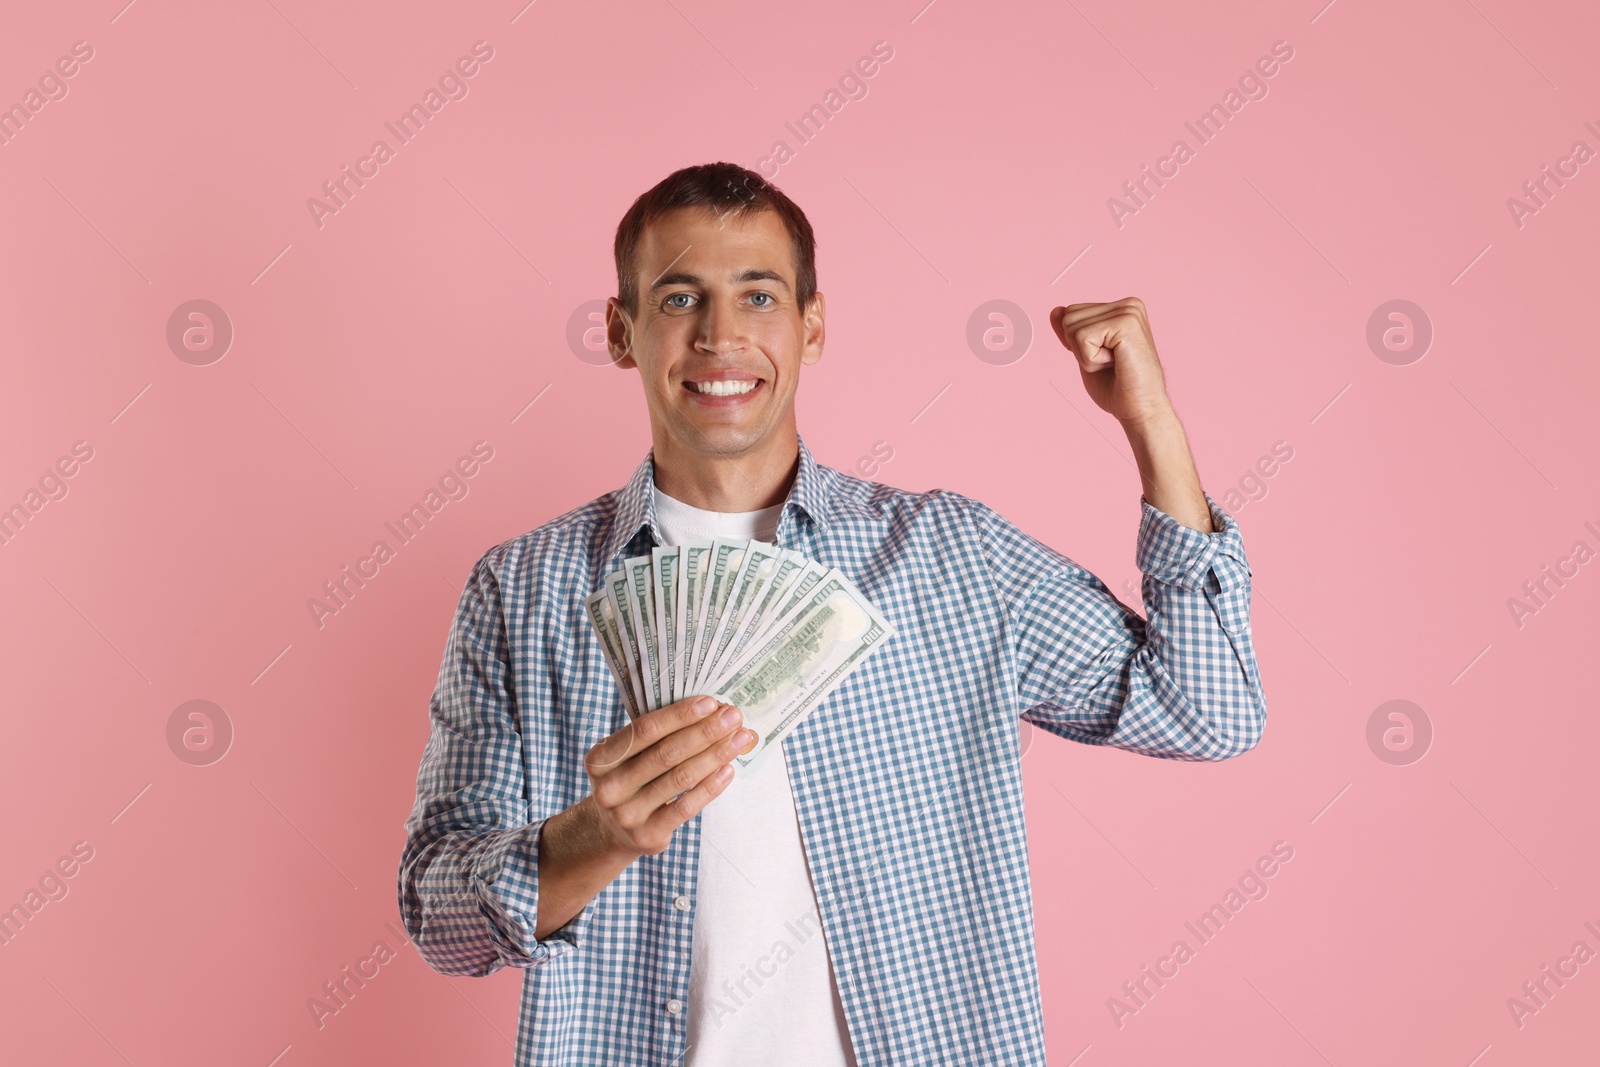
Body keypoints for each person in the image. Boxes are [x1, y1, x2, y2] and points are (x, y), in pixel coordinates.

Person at [398, 161, 1267, 1067]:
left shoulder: (949, 556)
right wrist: (595, 838)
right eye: (680, 298)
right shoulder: (522, 588)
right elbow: (437, 919)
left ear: (813, 326)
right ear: (623, 333)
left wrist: (1153, 424)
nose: (721, 334)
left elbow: (1210, 708)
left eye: (760, 296)